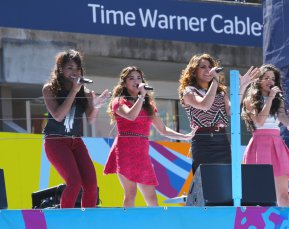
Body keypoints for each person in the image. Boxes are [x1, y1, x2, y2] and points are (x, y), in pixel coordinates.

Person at [103, 66, 197, 207]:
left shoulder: (149, 105)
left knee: (152, 197)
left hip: (142, 153)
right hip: (125, 150)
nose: (136, 81)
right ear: (124, 83)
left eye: (138, 78)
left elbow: (163, 129)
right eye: (131, 78)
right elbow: (131, 115)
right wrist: (141, 96)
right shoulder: (118, 101)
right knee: (131, 193)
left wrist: (186, 136)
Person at [42, 49, 110, 208]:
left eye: (77, 68)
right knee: (74, 183)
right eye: (70, 68)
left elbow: (91, 119)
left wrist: (97, 106)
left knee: (91, 185)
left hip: (76, 142)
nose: (75, 72)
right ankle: (66, 221)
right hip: (55, 141)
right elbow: (58, 116)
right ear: (60, 70)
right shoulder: (49, 89)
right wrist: (73, 90)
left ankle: (88, 222)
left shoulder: (84, 93)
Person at [178, 53, 258, 174]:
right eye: (203, 67)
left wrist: (242, 86)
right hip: (202, 140)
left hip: (221, 139)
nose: (208, 70)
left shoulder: (220, 92)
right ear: (194, 71)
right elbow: (204, 105)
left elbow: (232, 110)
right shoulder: (189, 91)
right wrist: (216, 79)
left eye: (210, 67)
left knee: (224, 180)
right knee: (205, 180)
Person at [241, 64, 289, 207]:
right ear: (259, 80)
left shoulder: (278, 99)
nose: (270, 81)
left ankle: (286, 225)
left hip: (276, 144)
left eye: (273, 79)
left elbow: (282, 116)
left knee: (283, 196)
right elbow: (259, 120)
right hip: (259, 145)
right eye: (266, 78)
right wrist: (270, 98)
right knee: (260, 195)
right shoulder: (249, 100)